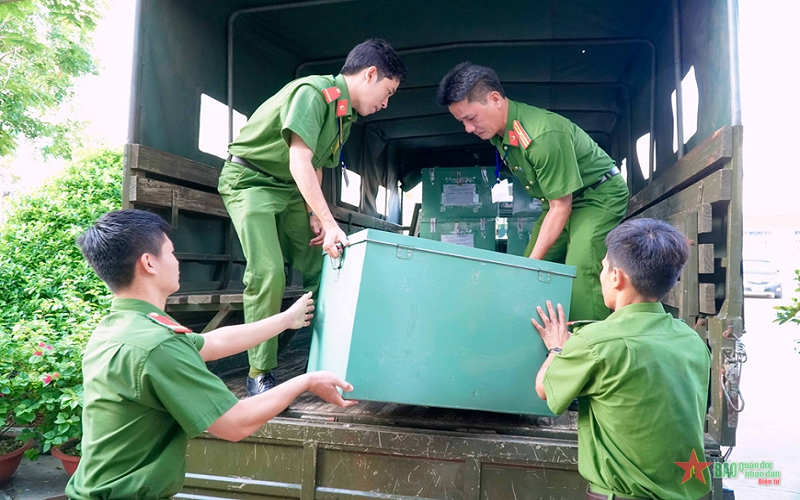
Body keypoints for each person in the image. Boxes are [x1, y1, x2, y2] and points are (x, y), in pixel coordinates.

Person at [66, 209, 356, 499]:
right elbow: (235, 422)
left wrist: (285, 320)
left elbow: (210, 343)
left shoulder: (122, 328)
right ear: (149, 263)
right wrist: (306, 381)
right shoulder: (158, 345)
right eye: (172, 252)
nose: (177, 261)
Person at [219, 38, 407, 395]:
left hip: (291, 189)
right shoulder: (313, 92)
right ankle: (259, 372)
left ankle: (331, 355)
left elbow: (317, 164)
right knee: (268, 271)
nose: (386, 102)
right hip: (250, 181)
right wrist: (332, 221)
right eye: (388, 91)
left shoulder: (344, 114)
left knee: (324, 265)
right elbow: (299, 159)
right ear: (370, 74)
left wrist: (315, 215)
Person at [531, 218, 711, 500]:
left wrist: (557, 348)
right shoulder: (692, 340)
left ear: (616, 277)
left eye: (602, 268)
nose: (601, 275)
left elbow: (544, 389)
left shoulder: (595, 342)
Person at [436, 62, 629, 321]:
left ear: (495, 99)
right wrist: (532, 263)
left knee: (582, 268)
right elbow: (557, 204)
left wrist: (533, 263)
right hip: (562, 201)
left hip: (598, 195)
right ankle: (536, 334)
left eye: (471, 118)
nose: (468, 129)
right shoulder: (501, 132)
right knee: (528, 269)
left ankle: (587, 347)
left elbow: (561, 206)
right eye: (462, 121)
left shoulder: (542, 135)